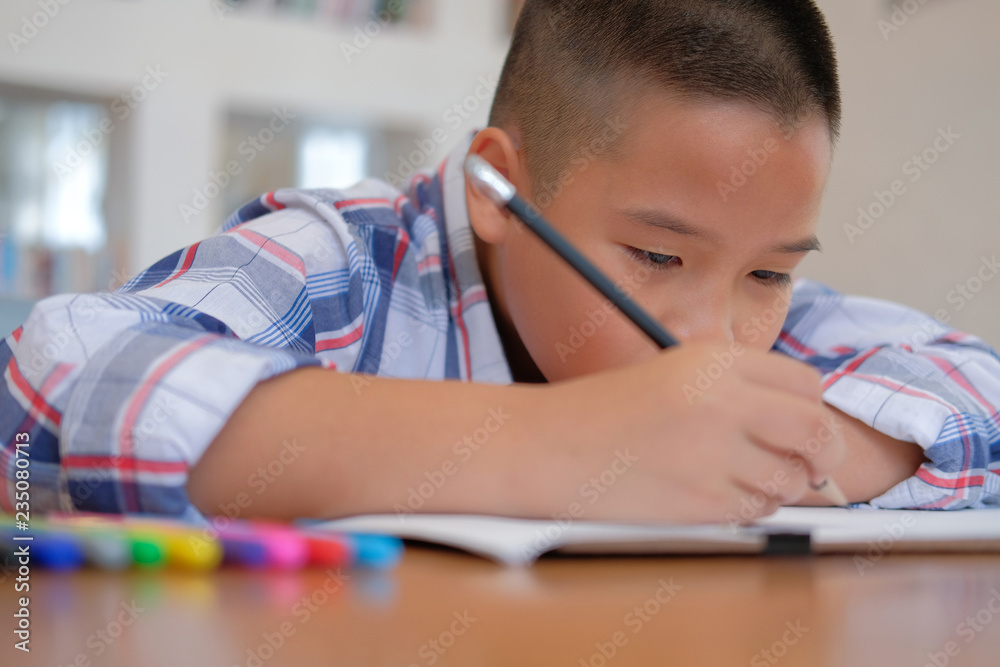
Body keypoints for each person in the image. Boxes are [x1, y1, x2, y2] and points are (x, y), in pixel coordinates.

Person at [2, 0, 997, 524]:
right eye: (657, 254)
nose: (713, 337)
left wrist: (799, 448)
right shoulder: (345, 261)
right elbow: (40, 396)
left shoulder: (747, 309)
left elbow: (975, 381)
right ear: (496, 188)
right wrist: (566, 444)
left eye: (770, 272)